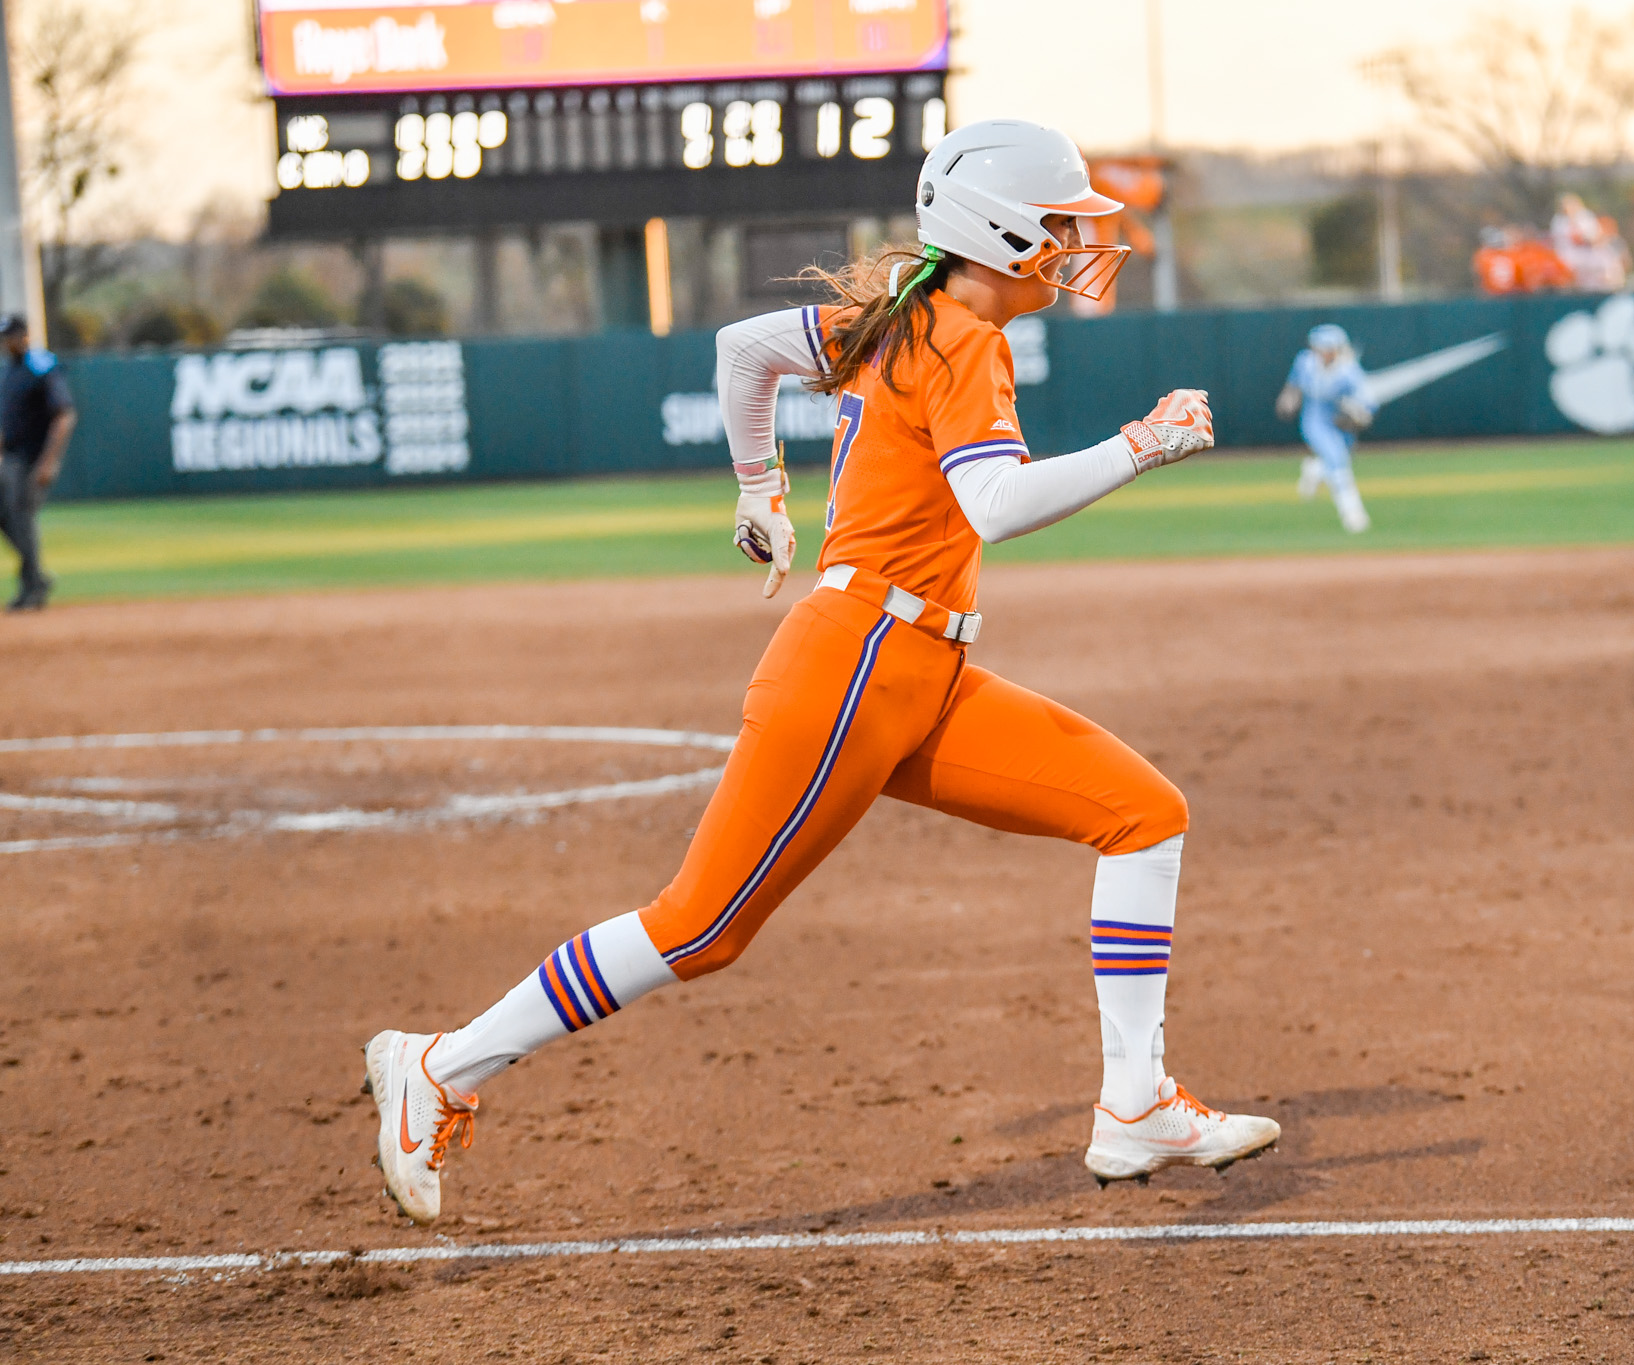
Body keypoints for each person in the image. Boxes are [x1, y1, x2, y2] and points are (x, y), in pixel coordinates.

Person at [361, 118, 1282, 1226]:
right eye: (1056, 223)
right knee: (700, 927)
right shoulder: (959, 335)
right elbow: (995, 505)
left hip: (916, 669)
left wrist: (760, 488)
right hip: (857, 664)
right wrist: (1141, 444)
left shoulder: (903, 316)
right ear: (997, 230)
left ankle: (1135, 1105)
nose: (1073, 244)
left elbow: (742, 351)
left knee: (1142, 814)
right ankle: (439, 1066)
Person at [0, 315, 74, 612]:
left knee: (21, 516)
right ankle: (36, 577)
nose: (5, 343)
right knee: (7, 516)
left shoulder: (40, 366)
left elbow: (64, 415)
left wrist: (49, 462)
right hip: (12, 458)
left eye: (9, 336)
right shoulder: (10, 370)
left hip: (33, 458)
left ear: (24, 336)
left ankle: (32, 586)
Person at [1276, 323, 1375, 533]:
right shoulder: (1305, 362)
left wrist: (1357, 416)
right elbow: (1293, 386)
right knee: (1338, 462)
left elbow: (1366, 403)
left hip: (1340, 423)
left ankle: (1314, 469)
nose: (1324, 353)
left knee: (1338, 458)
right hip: (1315, 419)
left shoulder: (1348, 370)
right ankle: (1352, 513)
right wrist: (1288, 400)